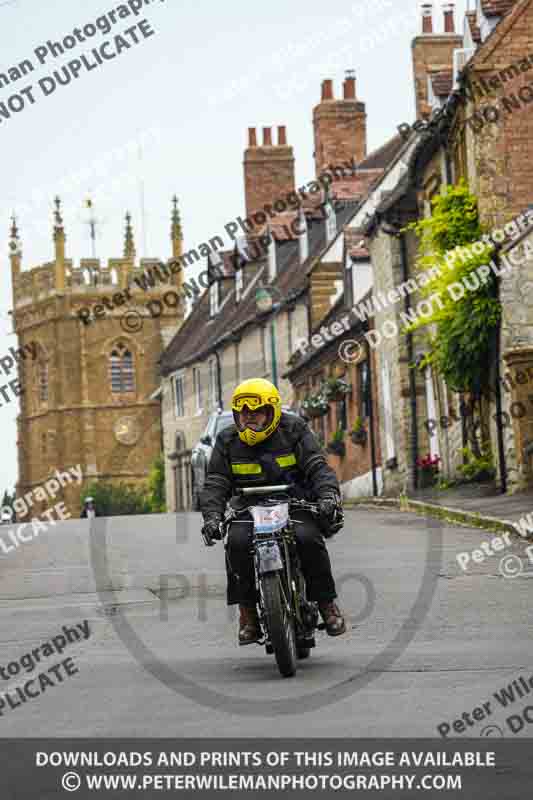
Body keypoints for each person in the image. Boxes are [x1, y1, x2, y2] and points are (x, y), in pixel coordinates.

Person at [200, 378, 345, 645]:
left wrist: (327, 496)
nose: (249, 418)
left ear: (272, 411)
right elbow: (216, 482)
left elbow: (317, 466)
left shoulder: (294, 430)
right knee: (236, 544)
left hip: (294, 502)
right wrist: (212, 517)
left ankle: (326, 604)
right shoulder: (227, 440)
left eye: (256, 411)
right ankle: (248, 615)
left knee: (308, 538)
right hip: (248, 507)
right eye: (244, 412)